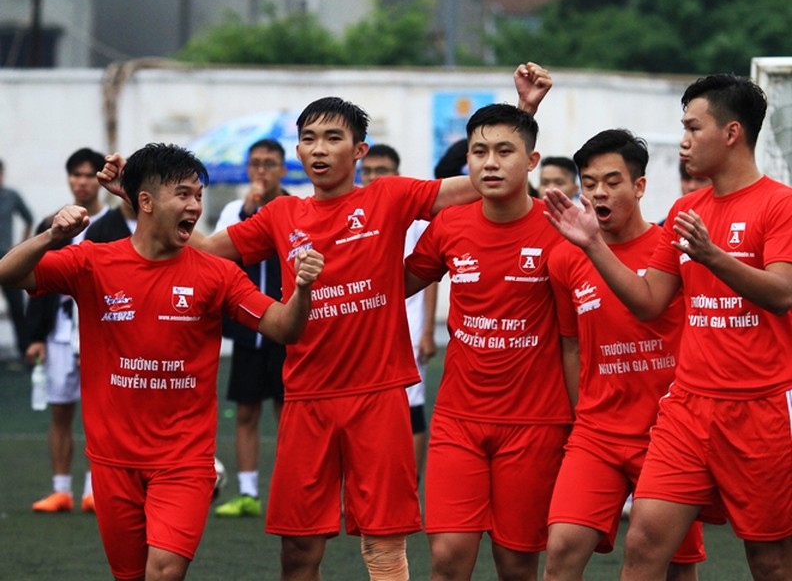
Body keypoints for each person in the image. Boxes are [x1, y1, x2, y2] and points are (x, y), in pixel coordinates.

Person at [99, 61, 552, 581]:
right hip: (307, 399)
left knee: (384, 547)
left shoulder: (389, 196)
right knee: (297, 553)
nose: (319, 149)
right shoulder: (281, 215)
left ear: (359, 150)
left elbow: (482, 177)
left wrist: (523, 112)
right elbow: (205, 249)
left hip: (379, 396)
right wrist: (136, 197)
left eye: (333, 138)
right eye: (309, 139)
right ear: (297, 151)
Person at [0, 142, 323, 581]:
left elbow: (285, 328)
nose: (195, 206)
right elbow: (8, 273)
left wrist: (302, 289)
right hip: (112, 461)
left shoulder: (217, 273)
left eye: (198, 196)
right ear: (146, 202)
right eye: (183, 194)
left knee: (165, 571)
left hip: (185, 460)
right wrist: (52, 236)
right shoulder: (93, 261)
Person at [543, 74, 792, 581]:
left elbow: (782, 293)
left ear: (732, 133)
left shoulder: (779, 203)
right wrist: (592, 245)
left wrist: (713, 256)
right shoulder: (685, 210)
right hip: (687, 409)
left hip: (761, 408)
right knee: (644, 541)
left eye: (693, 128)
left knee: (770, 560)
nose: (683, 140)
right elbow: (649, 302)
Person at [405, 102, 572, 581]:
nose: (490, 163)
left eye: (504, 151)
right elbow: (394, 287)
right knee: (447, 558)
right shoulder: (450, 225)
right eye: (479, 152)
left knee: (516, 565)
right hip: (458, 420)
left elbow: (581, 335)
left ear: (532, 161)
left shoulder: (561, 230)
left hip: (535, 422)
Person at [544, 129, 704, 581]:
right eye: (590, 182)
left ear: (639, 186)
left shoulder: (673, 249)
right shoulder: (564, 259)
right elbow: (571, 344)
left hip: (668, 433)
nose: (599, 192)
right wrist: (581, 414)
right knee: (561, 549)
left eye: (612, 181)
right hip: (597, 433)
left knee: (674, 566)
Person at [26, 147, 108, 514]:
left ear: (100, 180)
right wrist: (35, 336)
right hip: (59, 333)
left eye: (89, 175)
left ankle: (95, 489)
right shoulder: (52, 225)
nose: (82, 182)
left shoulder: (114, 224)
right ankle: (61, 490)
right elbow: (33, 279)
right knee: (60, 411)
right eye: (76, 174)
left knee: (101, 413)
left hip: (100, 332)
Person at [213, 138, 290, 518]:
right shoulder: (234, 210)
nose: (262, 170)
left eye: (269, 163)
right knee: (246, 411)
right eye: (256, 163)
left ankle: (291, 489)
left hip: (285, 323)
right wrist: (247, 212)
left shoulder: (294, 208)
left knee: (287, 412)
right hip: (247, 324)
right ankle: (247, 492)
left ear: (283, 169)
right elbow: (220, 256)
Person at [359, 143, 438, 482]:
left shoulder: (414, 219)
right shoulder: (354, 214)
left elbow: (430, 275)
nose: (373, 177)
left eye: (382, 171)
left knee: (412, 406)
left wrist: (426, 332)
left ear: (396, 174)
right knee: (368, 408)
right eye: (367, 171)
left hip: (409, 323)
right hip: (365, 327)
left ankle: (411, 481)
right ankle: (370, 480)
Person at [0, 158, 34, 361]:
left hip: (6, 257)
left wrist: (21, 245)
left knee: (17, 307)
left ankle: (24, 350)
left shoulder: (11, 196)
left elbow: (28, 218)